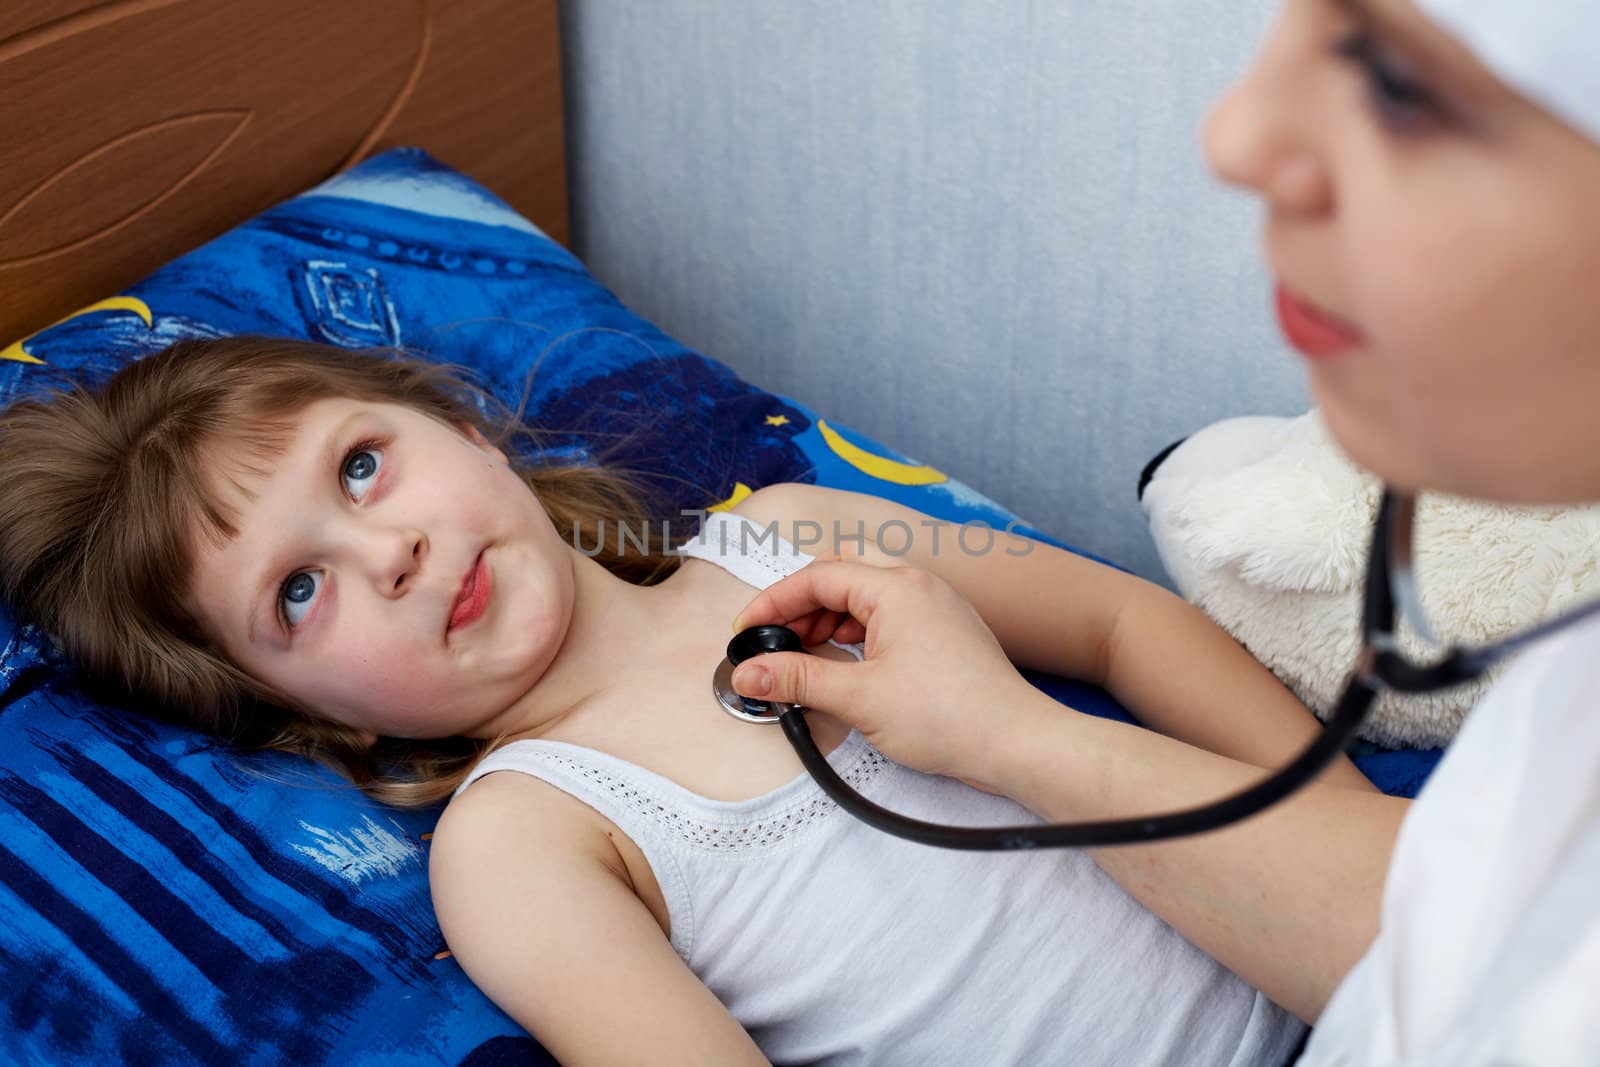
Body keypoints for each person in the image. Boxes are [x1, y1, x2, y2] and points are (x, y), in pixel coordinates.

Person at [0, 337, 1380, 1065]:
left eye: (361, 467)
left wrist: (1347, 825)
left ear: (465, 427)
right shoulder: (529, 836)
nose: (390, 550)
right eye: (298, 593)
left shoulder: (793, 527)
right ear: (321, 717)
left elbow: (1123, 620)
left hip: (1377, 967)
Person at [728, 1, 1600, 1062]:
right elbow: (1452, 943)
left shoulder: (781, 528)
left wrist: (1002, 733)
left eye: (1399, 80)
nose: (1231, 137)